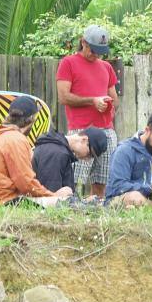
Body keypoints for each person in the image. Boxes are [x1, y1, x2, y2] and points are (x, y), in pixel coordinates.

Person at [0, 96, 72, 206]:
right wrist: (54, 196)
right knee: (65, 197)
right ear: (32, 119)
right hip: (2, 202)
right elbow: (27, 184)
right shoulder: (16, 139)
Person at [56, 24, 119, 198]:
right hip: (81, 131)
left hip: (106, 130)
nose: (96, 55)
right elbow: (63, 97)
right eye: (93, 50)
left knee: (102, 180)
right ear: (83, 42)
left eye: (100, 51)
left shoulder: (106, 67)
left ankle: (97, 213)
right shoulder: (68, 63)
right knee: (73, 180)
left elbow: (115, 99)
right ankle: (70, 211)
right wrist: (92, 101)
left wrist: (107, 103)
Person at [32, 127, 108, 193]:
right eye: (89, 154)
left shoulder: (61, 149)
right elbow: (50, 196)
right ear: (84, 140)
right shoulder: (56, 153)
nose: (87, 160)